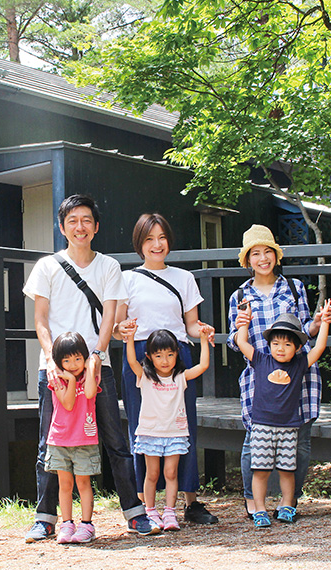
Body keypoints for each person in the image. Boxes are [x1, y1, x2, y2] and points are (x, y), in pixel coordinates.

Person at [23, 194, 159, 543]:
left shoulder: (109, 267)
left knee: (115, 440)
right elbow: (40, 321)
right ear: (62, 226)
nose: (79, 226)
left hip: (99, 365)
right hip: (54, 368)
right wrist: (53, 362)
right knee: (49, 443)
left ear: (95, 227)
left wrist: (98, 353)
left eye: (86, 220)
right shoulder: (47, 266)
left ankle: (134, 512)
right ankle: (46, 518)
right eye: (72, 220)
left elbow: (110, 316)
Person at [114, 212, 219, 525]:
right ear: (139, 244)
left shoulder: (184, 278)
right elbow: (119, 325)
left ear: (169, 241)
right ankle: (145, 508)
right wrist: (125, 329)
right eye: (149, 239)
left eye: (161, 238)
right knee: (142, 428)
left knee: (182, 426)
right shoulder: (127, 278)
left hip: (177, 356)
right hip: (141, 357)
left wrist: (205, 331)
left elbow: (190, 323)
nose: (156, 244)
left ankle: (190, 502)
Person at [227, 224, 324, 520]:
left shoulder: (294, 287)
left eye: (267, 251)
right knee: (253, 441)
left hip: (298, 375)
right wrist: (241, 325)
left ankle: (289, 501)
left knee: (301, 440)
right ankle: (253, 503)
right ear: (247, 260)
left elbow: (304, 329)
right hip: (261, 377)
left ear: (276, 255)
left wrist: (317, 324)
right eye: (255, 253)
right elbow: (233, 341)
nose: (262, 258)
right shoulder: (239, 296)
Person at [236, 305, 331, 528]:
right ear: (269, 345)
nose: (281, 349)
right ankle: (259, 509)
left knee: (287, 470)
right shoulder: (261, 360)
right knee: (260, 470)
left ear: (297, 348)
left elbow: (319, 348)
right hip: (261, 425)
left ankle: (288, 504)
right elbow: (242, 343)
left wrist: (324, 322)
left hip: (290, 426)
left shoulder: (299, 364)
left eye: (287, 344)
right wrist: (245, 323)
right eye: (276, 343)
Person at [124, 326, 211, 530]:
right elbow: (131, 361)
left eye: (170, 354)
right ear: (149, 357)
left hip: (175, 434)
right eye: (159, 355)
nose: (165, 360)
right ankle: (150, 511)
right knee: (152, 474)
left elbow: (203, 365)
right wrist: (130, 339)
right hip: (150, 433)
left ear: (177, 354)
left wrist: (205, 340)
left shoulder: (180, 377)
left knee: (171, 473)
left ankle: (170, 512)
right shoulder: (145, 376)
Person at [46, 332, 101, 543]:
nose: (72, 364)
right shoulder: (57, 381)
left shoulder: (91, 376)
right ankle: (67, 524)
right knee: (65, 485)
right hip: (60, 439)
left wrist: (89, 367)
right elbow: (68, 403)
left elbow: (89, 394)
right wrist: (69, 380)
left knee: (84, 483)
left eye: (78, 358)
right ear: (59, 362)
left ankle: (86, 525)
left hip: (84, 439)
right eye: (66, 360)